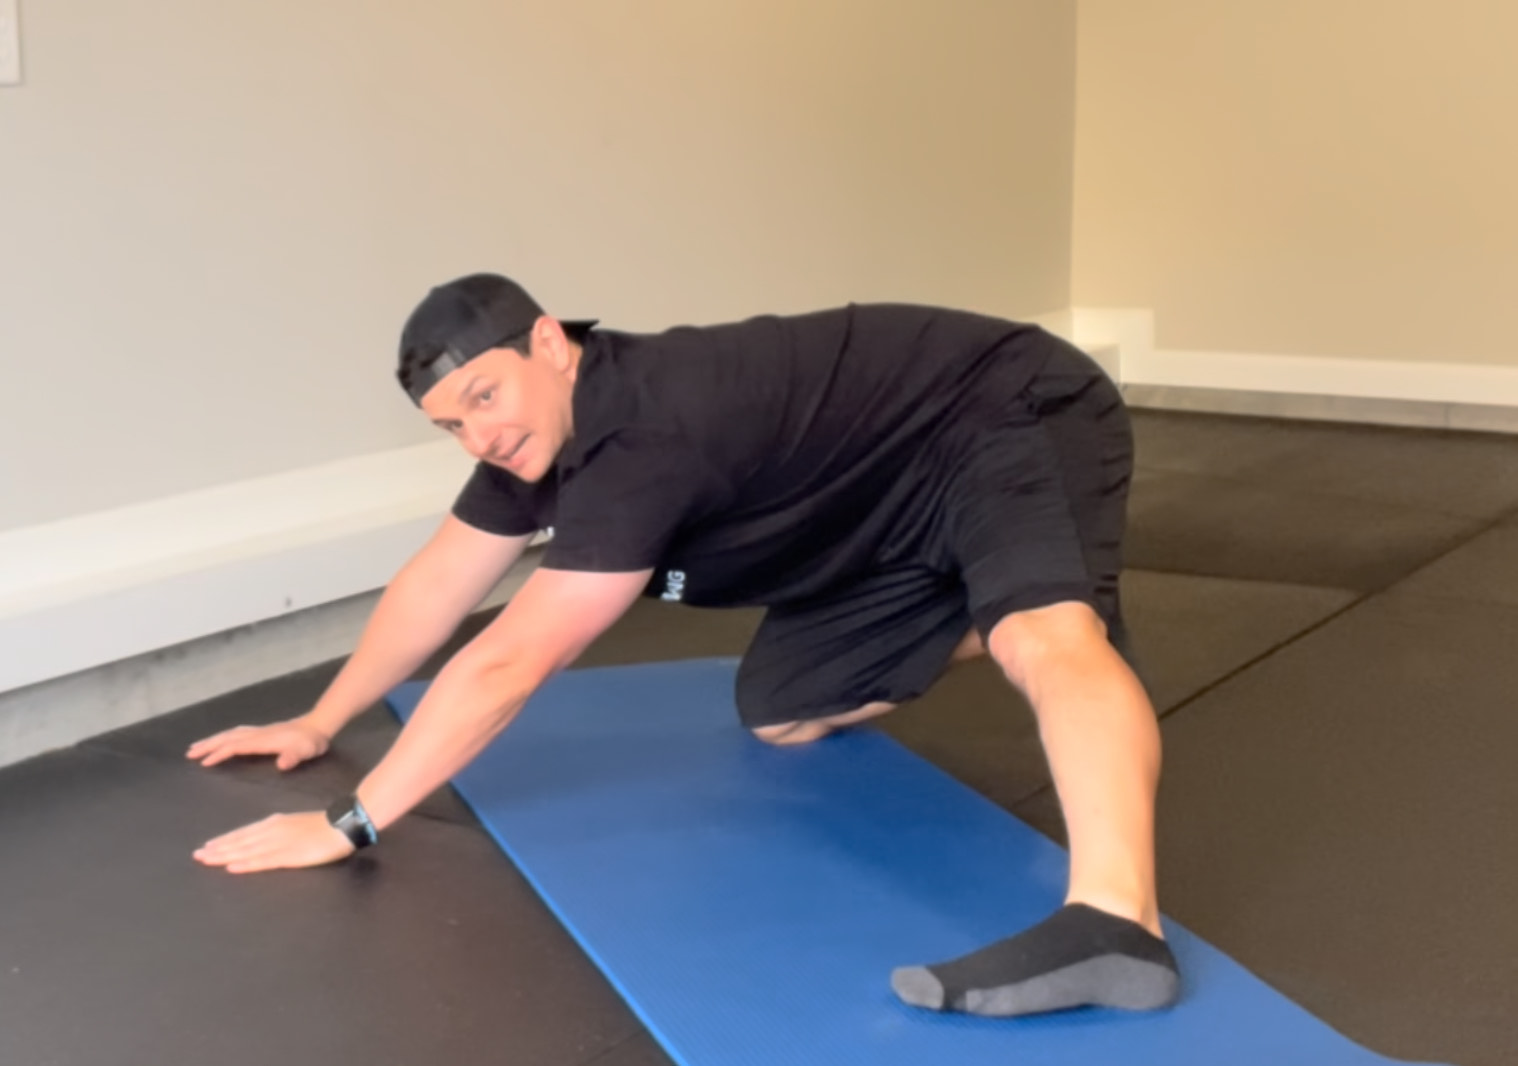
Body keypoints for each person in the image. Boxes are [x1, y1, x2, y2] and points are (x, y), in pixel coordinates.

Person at [189, 273, 1180, 1018]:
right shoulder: (538, 443)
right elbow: (437, 581)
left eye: (485, 397)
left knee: (1044, 634)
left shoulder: (645, 428)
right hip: (879, 511)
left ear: (550, 342)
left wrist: (350, 823)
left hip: (997, 405)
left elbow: (509, 658)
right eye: (451, 424)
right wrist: (322, 719)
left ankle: (1116, 920)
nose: (476, 438)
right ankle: (1019, 613)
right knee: (783, 711)